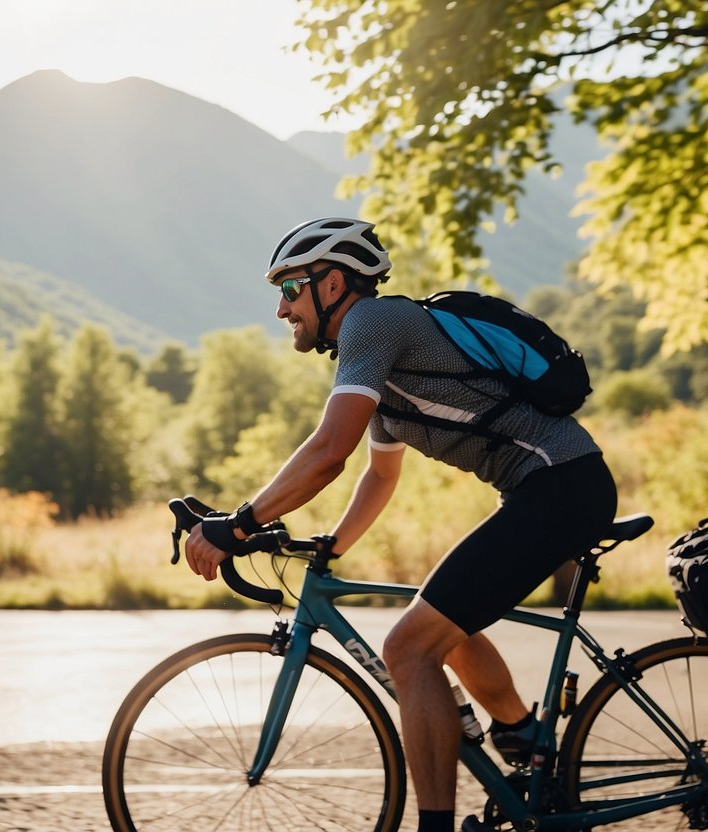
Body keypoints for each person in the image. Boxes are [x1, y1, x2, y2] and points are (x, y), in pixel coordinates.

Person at [184, 216, 618, 832]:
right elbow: (376, 477)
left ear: (331, 284)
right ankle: (525, 741)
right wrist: (330, 545)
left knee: (408, 648)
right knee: (441, 619)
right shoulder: (388, 374)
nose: (281, 311)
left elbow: (328, 449)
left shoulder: (374, 323)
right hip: (548, 488)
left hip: (561, 484)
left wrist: (239, 526)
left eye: (288, 290)